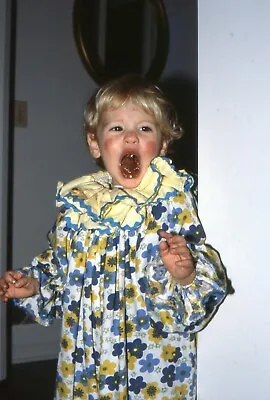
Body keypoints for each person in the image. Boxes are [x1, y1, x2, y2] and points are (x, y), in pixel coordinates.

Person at [0, 75, 227, 400]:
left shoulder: (170, 200)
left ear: (162, 144)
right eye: (117, 128)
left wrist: (187, 273)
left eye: (145, 128)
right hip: (85, 360)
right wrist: (33, 284)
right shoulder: (79, 205)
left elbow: (198, 266)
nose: (131, 137)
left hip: (151, 365)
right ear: (95, 143)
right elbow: (58, 267)